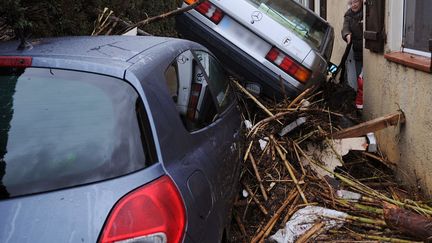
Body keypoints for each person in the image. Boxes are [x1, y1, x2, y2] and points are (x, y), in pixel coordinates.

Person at [341, 0, 363, 77]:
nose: (353, 5)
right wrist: (347, 35)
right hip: (358, 53)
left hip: (370, 52)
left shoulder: (367, 11)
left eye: (355, 2)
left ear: (361, 1)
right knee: (360, 78)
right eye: (351, 3)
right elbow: (345, 28)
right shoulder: (348, 15)